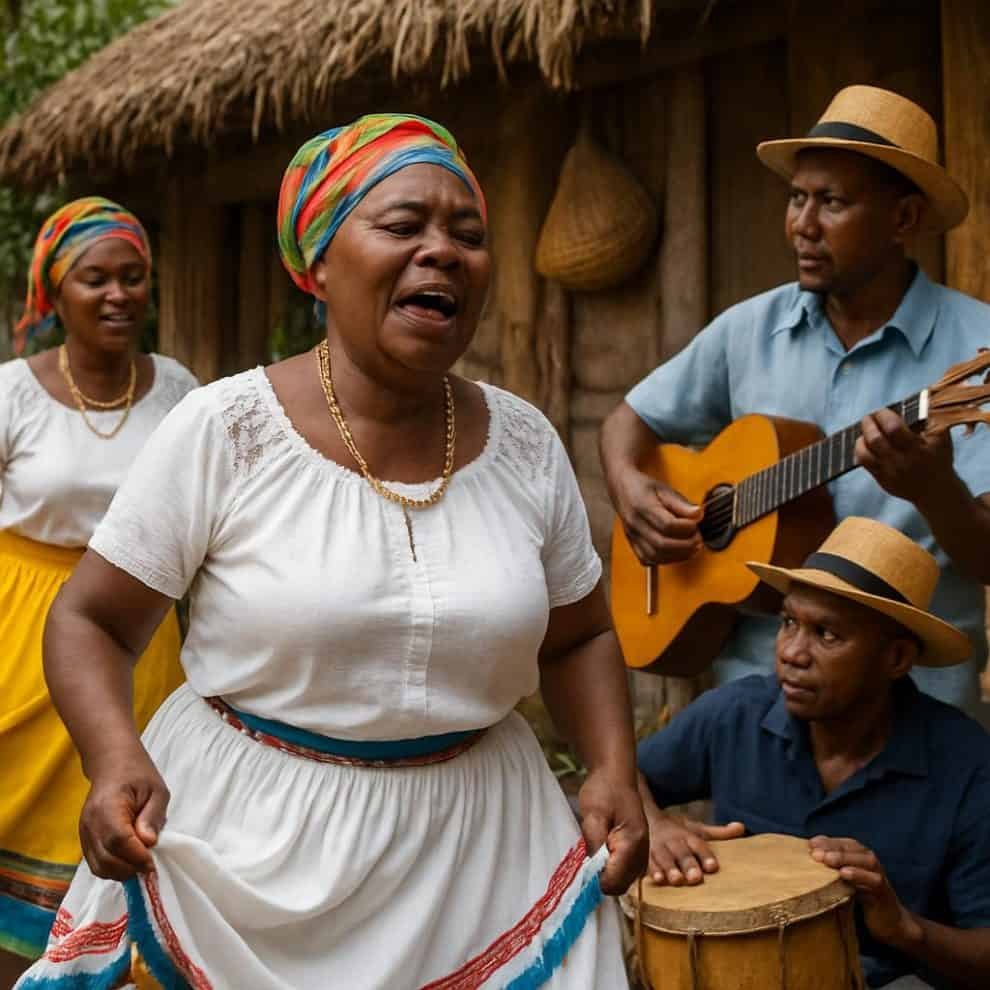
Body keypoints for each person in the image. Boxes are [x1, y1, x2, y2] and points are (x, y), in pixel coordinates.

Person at [16, 114, 646, 990]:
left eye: (468, 235)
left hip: (485, 863)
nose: (443, 251)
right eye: (403, 225)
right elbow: (91, 620)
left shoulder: (527, 444)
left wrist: (613, 767)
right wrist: (114, 757)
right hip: (241, 864)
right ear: (314, 265)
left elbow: (580, 636)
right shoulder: (226, 429)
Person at [600, 85, 990, 712]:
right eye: (796, 198)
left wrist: (934, 489)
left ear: (904, 219)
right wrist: (630, 490)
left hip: (913, 708)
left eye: (831, 202)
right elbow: (629, 420)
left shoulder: (976, 348)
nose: (802, 226)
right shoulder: (748, 329)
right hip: (752, 699)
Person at [636, 517, 990, 989]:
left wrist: (905, 928)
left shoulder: (967, 766)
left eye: (827, 635)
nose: (791, 653)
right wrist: (652, 825)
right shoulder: (736, 714)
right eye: (789, 623)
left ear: (896, 658)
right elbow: (620, 779)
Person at [0, 197, 196, 985]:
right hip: (21, 633)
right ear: (55, 292)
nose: (118, 294)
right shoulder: (12, 394)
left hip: (140, 638)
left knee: (130, 822)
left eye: (133, 276)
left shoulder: (178, 391)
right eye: (95, 279)